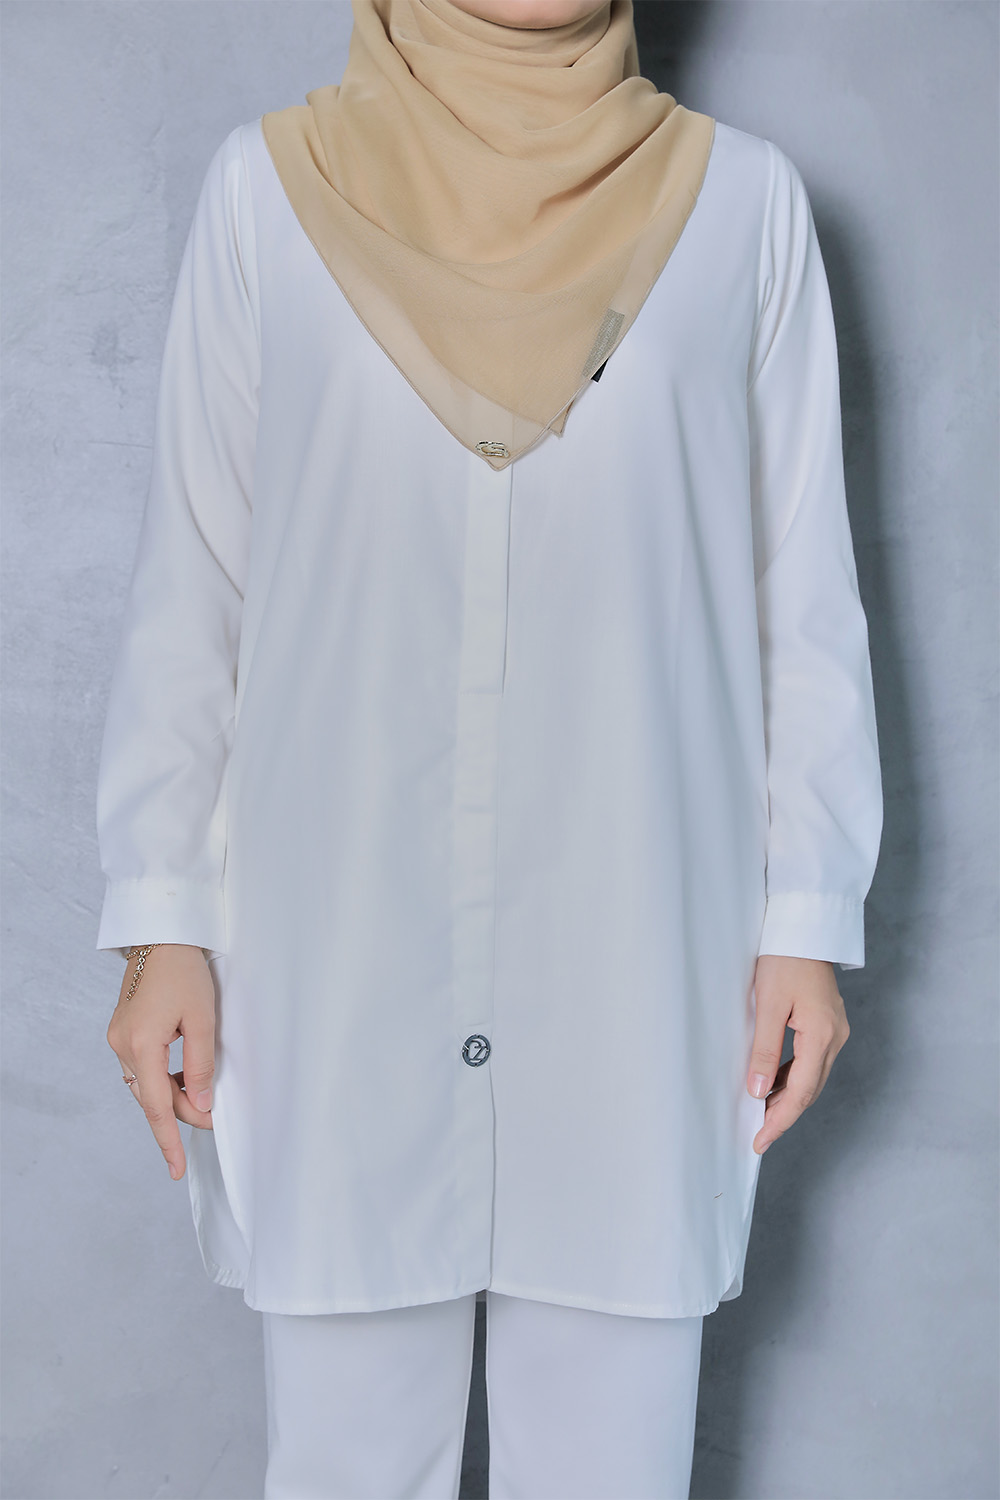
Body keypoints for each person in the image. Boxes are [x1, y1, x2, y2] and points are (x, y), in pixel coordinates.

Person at [96, 0, 884, 1495]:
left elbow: (806, 598)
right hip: (333, 963)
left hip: (641, 968)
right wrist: (159, 924)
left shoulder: (744, 209)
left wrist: (807, 922)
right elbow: (195, 584)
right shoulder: (266, 195)